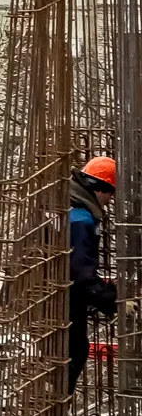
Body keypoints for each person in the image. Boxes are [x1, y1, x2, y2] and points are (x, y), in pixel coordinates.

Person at [71, 155, 119, 394]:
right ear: (100, 189)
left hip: (45, 289)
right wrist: (109, 298)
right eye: (111, 194)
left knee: (67, 349)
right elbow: (81, 271)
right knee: (74, 350)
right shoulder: (80, 217)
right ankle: (56, 415)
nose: (110, 200)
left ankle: (54, 412)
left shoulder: (71, 205)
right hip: (58, 296)